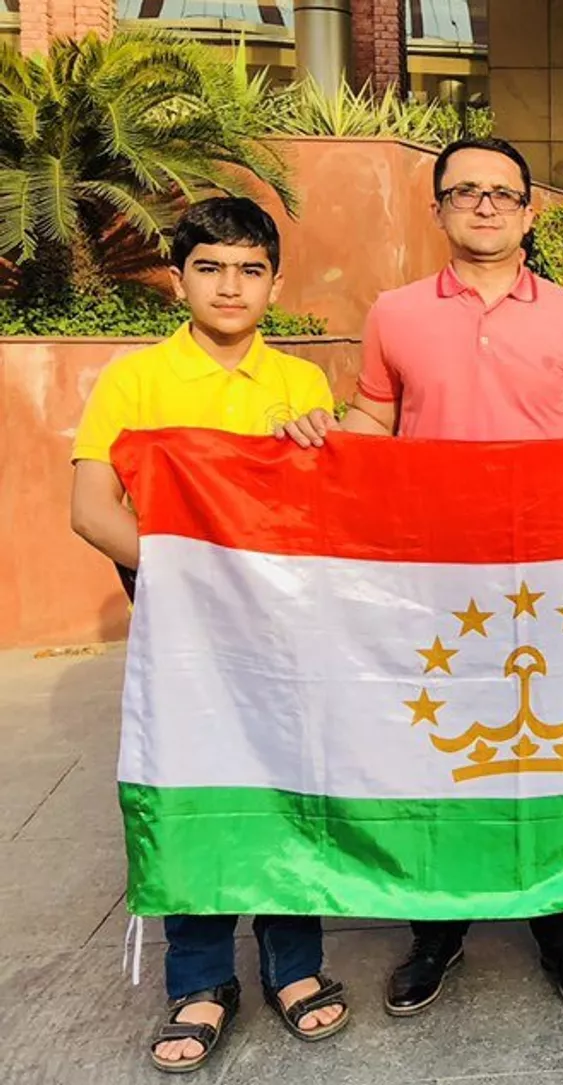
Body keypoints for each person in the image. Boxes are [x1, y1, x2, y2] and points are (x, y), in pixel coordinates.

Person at [280, 136, 563, 1017]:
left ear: (527, 211)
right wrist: (325, 435)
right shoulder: (395, 313)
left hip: (546, 574)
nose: (485, 205)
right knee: (437, 748)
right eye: (466, 191)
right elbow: (374, 419)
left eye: (502, 193)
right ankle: (435, 929)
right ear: (439, 207)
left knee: (551, 755)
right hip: (433, 574)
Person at [69, 197, 349, 1074]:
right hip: (185, 636)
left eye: (250, 269)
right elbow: (91, 509)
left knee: (286, 786)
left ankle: (294, 966)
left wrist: (318, 448)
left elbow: (322, 515)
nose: (231, 286)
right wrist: (188, 575)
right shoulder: (135, 381)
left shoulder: (301, 385)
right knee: (193, 789)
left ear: (274, 283)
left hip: (283, 636)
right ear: (178, 278)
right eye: (211, 268)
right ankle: (197, 978)